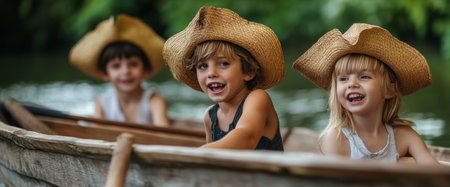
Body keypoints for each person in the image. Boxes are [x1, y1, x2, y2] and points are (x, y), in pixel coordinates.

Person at [293, 23, 439, 165]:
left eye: (364, 77)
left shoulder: (404, 136)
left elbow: (436, 174)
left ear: (389, 90)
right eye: (343, 79)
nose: (352, 84)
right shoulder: (338, 139)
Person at [163, 7, 284, 150]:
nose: (211, 73)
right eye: (202, 66)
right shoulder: (210, 117)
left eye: (223, 64)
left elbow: (247, 137)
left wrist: (198, 153)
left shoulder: (258, 98)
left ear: (248, 72)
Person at [69, 14, 170, 127]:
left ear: (145, 70)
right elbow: (97, 133)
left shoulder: (154, 100)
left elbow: (163, 133)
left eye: (133, 64)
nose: (126, 71)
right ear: (105, 74)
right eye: (116, 66)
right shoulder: (102, 103)